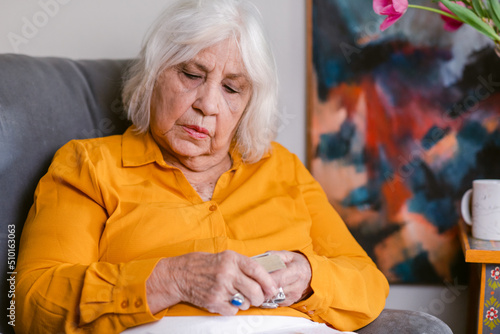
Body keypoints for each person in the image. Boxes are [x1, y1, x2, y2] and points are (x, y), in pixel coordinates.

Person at [15, 0, 389, 333]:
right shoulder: (89, 166)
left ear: (248, 105)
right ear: (152, 77)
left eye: (231, 88)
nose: (207, 104)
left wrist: (309, 278)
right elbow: (32, 305)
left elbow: (368, 285)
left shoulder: (282, 167)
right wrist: (170, 280)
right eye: (192, 75)